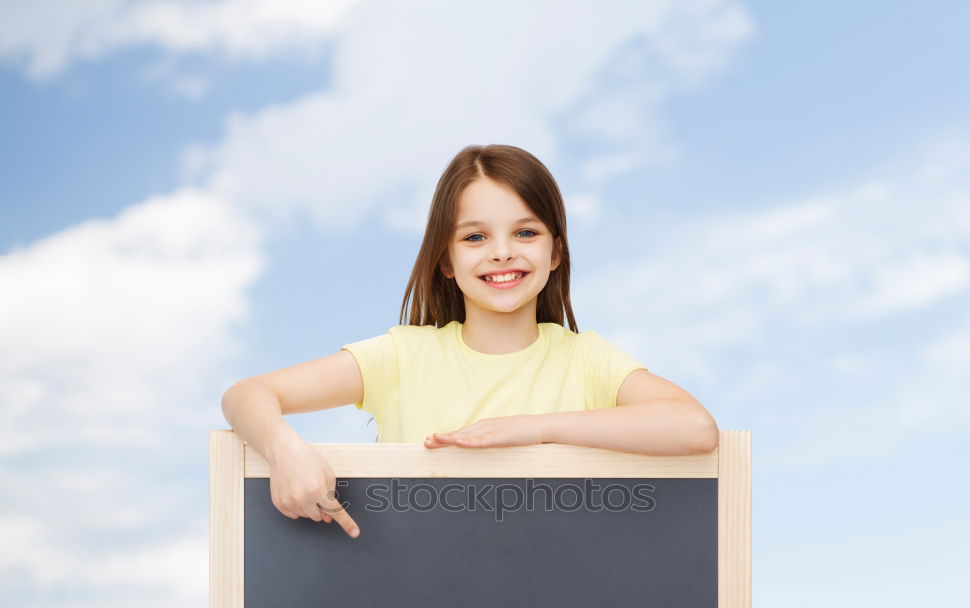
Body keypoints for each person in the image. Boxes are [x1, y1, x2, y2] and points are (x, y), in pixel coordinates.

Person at [221, 143, 719, 540]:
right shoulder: (402, 356)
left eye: (525, 233)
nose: (502, 253)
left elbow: (694, 428)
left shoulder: (584, 359)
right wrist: (284, 450)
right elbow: (246, 395)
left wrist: (533, 429)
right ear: (445, 260)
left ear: (555, 254)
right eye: (475, 238)